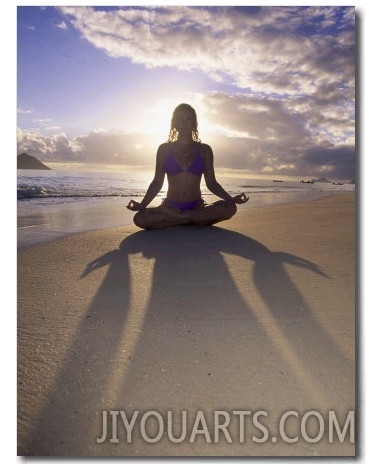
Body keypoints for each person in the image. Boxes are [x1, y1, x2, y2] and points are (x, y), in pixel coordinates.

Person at [127, 103, 249, 229]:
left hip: (197, 207)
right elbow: (157, 182)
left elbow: (211, 183)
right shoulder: (164, 149)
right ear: (174, 123)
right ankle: (192, 219)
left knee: (230, 208)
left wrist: (230, 199)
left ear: (194, 123)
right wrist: (142, 205)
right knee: (140, 219)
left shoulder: (205, 150)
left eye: (188, 119)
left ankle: (179, 218)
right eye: (180, 119)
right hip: (170, 206)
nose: (184, 123)